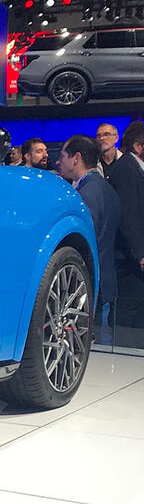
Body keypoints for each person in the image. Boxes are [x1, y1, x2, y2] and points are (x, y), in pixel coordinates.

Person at [58, 135, 120, 328]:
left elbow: (86, 237)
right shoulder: (104, 188)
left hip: (88, 281)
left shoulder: (87, 193)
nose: (59, 161)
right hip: (102, 277)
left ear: (76, 158)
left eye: (63, 156)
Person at [109, 121, 144, 341]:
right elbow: (128, 216)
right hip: (128, 258)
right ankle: (123, 353)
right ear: (138, 146)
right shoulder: (127, 169)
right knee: (127, 310)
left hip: (133, 257)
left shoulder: (135, 168)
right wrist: (140, 253)